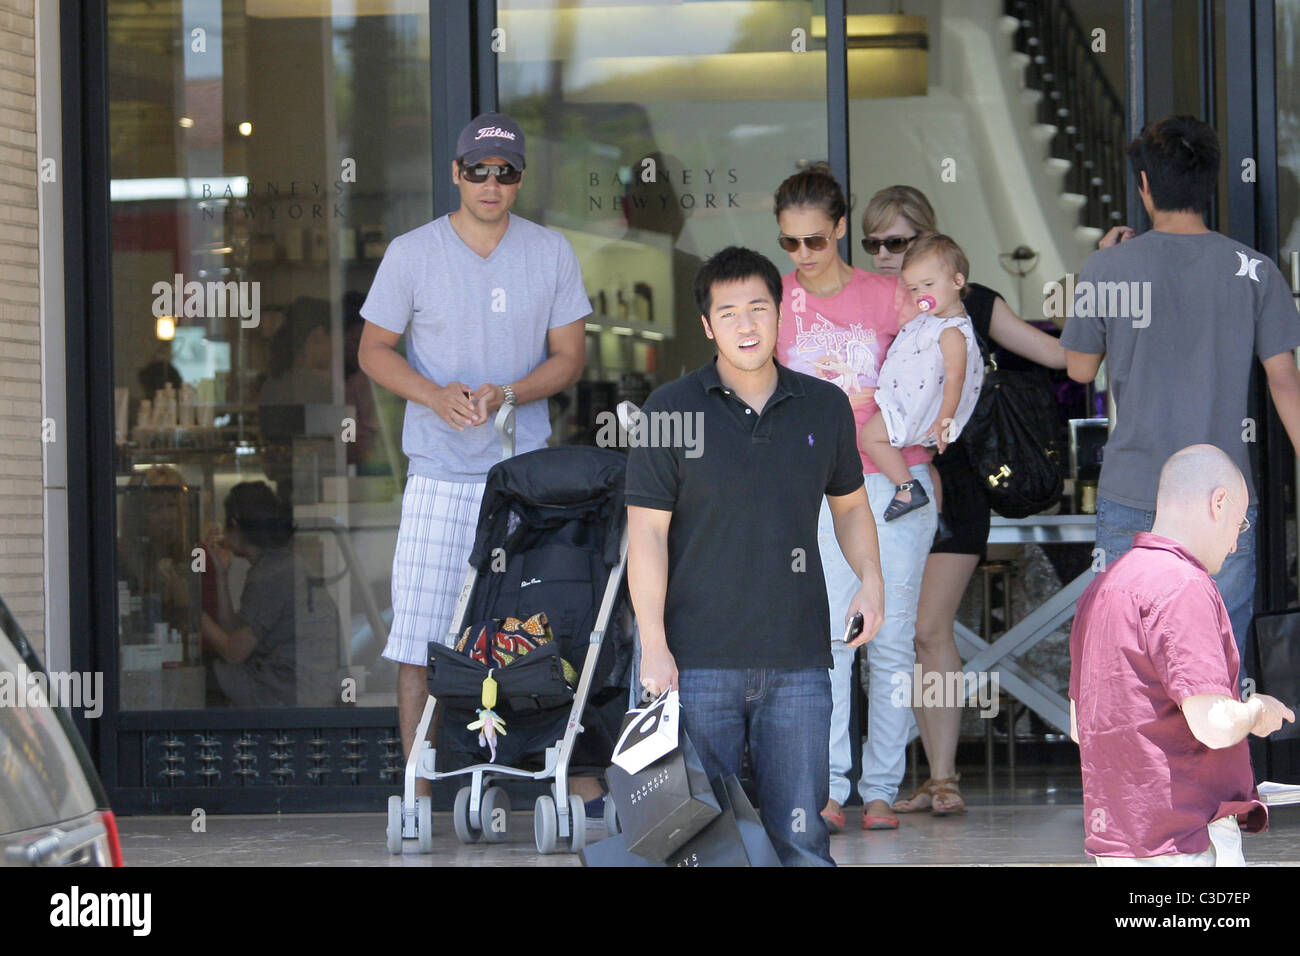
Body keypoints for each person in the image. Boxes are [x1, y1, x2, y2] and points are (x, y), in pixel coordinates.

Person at [356, 112, 591, 794]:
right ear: (455, 173)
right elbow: (372, 350)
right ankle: (417, 791)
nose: (492, 183)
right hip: (437, 474)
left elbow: (570, 358)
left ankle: (551, 778)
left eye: (506, 172)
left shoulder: (551, 252)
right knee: (419, 640)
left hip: (526, 481)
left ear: (520, 179)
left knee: (537, 636)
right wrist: (433, 396)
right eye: (479, 171)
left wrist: (510, 392)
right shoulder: (412, 252)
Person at [628, 245, 886, 866]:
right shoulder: (670, 409)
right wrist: (654, 643)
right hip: (698, 662)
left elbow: (850, 506)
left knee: (802, 840)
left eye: (759, 309)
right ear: (707, 325)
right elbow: (646, 534)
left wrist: (871, 580)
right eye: (729, 312)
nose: (746, 325)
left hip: (797, 660)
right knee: (699, 845)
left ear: (781, 314)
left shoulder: (823, 405)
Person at [860, 185, 1066, 818]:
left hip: (955, 486)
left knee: (927, 629)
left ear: (931, 244)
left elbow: (1058, 355)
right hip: (883, 480)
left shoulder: (972, 304)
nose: (887, 256)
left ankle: (944, 776)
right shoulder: (873, 306)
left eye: (898, 242)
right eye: (874, 244)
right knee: (892, 633)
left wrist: (1095, 294)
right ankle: (898, 778)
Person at [1063, 114, 1300, 663]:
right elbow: (1284, 380)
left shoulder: (1108, 268)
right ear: (1209, 182)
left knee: (1131, 662)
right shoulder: (1255, 271)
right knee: (1215, 665)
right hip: (1223, 499)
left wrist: (1104, 262)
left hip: (1134, 491)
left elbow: (1078, 368)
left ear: (1144, 184)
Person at [770, 166, 935, 833]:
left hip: (895, 479)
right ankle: (830, 784)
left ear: (840, 228)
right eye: (790, 243)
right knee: (832, 640)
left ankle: (882, 788)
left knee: (892, 639)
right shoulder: (774, 300)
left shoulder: (889, 295)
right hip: (815, 485)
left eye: (815, 240)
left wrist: (937, 416)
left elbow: (943, 354)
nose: (804, 256)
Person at [1069, 444, 1294, 865]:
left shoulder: (1100, 590)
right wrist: (1257, 710)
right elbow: (1213, 726)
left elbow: (1081, 728)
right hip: (1188, 837)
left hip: (1117, 842)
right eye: (1240, 524)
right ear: (1219, 502)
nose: (1233, 545)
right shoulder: (1184, 586)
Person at [858, 234, 984, 520]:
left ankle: (907, 488)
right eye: (914, 288)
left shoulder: (952, 331)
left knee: (870, 438)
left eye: (928, 285)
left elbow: (956, 378)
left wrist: (945, 419)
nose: (921, 295)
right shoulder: (934, 319)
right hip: (911, 402)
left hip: (919, 408)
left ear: (957, 281)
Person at [200, 482, 339, 708]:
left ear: (233, 522)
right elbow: (233, 633)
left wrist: (193, 613)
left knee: (201, 676)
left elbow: (234, 653)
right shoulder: (278, 564)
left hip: (284, 695)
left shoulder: (271, 576)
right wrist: (221, 576)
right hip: (297, 689)